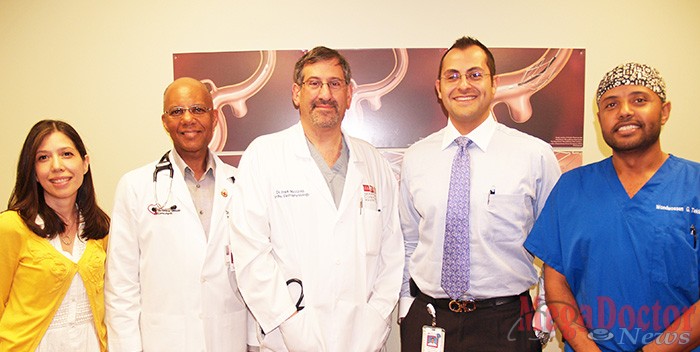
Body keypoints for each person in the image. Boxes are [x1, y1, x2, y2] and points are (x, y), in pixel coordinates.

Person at [229, 46, 404, 352]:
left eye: (335, 84)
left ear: (349, 94)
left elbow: (392, 253)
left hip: (363, 338)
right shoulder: (264, 156)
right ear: (297, 93)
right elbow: (250, 253)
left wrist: (376, 319)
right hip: (288, 335)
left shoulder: (373, 162)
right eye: (314, 83)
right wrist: (290, 321)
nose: (325, 93)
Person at [398, 36, 561, 351]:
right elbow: (407, 240)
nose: (463, 85)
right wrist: (407, 306)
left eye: (475, 75)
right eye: (453, 76)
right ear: (439, 87)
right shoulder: (416, 156)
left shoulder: (534, 156)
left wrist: (544, 313)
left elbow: (557, 246)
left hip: (506, 322)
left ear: (494, 83)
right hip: (430, 319)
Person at [524, 62, 700, 351]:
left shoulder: (694, 185)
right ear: (599, 119)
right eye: (611, 104)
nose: (625, 111)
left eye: (639, 100)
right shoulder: (571, 189)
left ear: (664, 111)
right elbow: (556, 282)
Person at [105, 77, 249, 351]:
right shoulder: (135, 186)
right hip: (164, 341)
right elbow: (121, 286)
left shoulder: (242, 184)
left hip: (228, 338)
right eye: (177, 111)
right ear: (164, 121)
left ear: (214, 117)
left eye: (197, 109)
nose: (187, 119)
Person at [0, 119, 111, 351]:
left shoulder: (101, 229)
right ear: (33, 171)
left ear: (85, 163)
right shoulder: (11, 226)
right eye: (43, 158)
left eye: (67, 154)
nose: (57, 166)